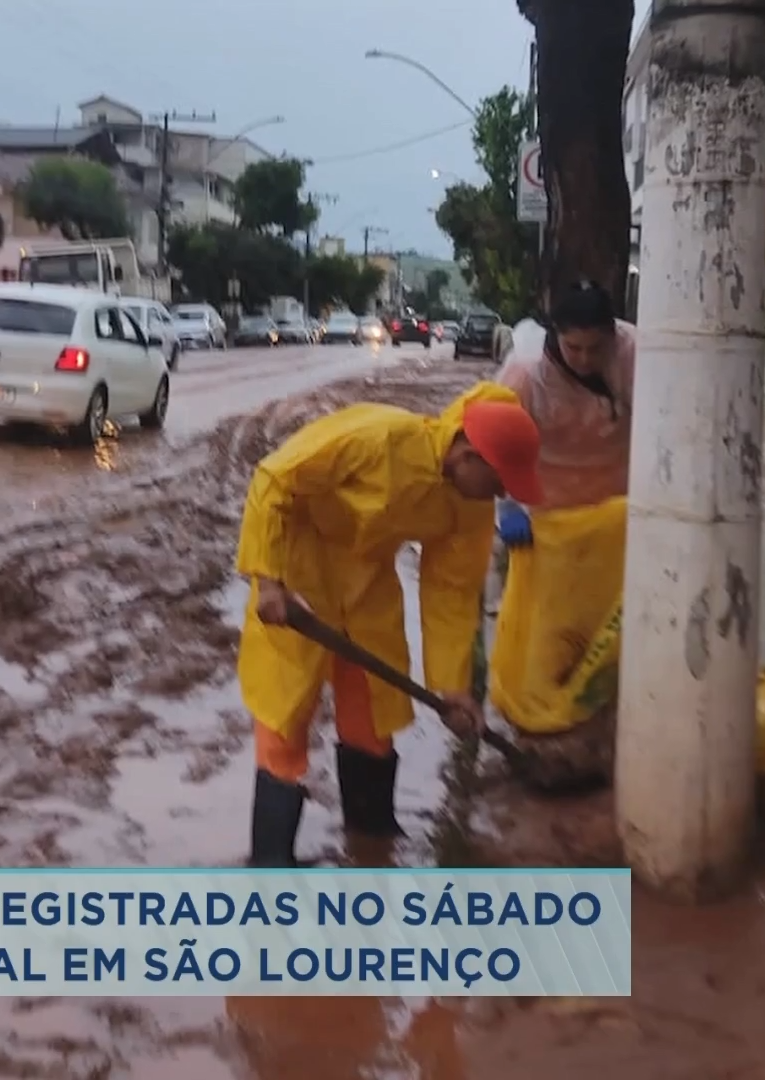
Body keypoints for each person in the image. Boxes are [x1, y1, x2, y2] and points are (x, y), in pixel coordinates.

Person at [236, 382, 545, 867]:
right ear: (468, 453)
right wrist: (270, 581)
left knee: (374, 713)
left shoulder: (469, 508)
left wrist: (452, 688)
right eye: (499, 480)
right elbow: (273, 480)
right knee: (284, 713)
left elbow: (451, 594)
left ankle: (371, 839)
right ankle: (271, 863)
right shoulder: (375, 437)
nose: (502, 494)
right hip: (300, 572)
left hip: (368, 586)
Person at [487, 280, 638, 792]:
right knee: (550, 629)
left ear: (612, 336)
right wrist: (507, 508)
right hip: (547, 521)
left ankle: (605, 722)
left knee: (611, 625)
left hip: (617, 517)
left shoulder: (636, 355)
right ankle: (546, 722)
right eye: (574, 348)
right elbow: (491, 449)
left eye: (597, 348)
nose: (585, 359)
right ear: (556, 337)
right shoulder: (525, 375)